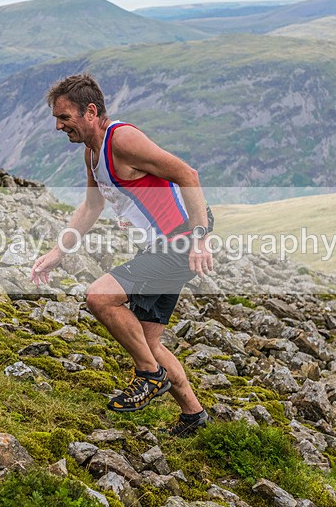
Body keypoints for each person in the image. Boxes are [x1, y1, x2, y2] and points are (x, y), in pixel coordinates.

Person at [30, 73, 214, 437]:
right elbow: (91, 206)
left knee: (100, 296)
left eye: (64, 117)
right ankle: (194, 416)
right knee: (147, 340)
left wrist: (200, 238)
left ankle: (149, 375)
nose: (58, 126)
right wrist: (57, 252)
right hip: (160, 245)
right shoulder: (91, 153)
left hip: (178, 241)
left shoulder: (122, 140)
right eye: (56, 118)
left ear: (90, 111)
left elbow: (187, 174)